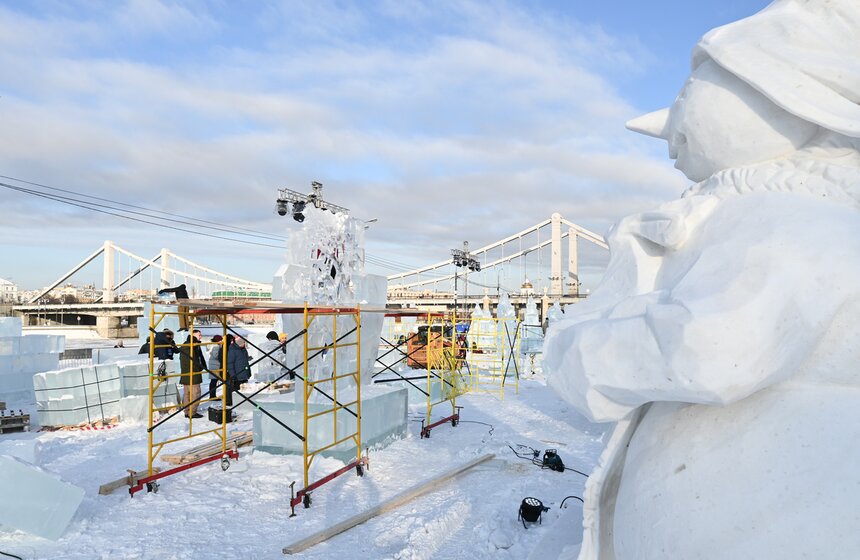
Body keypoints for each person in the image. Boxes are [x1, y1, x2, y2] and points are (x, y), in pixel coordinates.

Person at [178, 329, 207, 419]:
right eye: (199, 335)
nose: (200, 337)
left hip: (186, 374)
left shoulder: (187, 345)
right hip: (192, 374)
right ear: (193, 336)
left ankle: (187, 411)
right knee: (195, 393)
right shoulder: (191, 347)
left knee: (187, 394)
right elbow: (193, 362)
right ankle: (192, 412)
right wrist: (199, 368)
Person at [225, 335, 251, 412]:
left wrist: (248, 372)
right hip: (237, 374)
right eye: (243, 343)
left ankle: (243, 403)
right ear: (239, 343)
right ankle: (236, 404)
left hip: (244, 374)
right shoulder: (233, 350)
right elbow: (230, 364)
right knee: (236, 390)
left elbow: (246, 363)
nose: (244, 344)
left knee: (244, 390)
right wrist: (233, 375)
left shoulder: (243, 350)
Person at [207, 334, 225, 400]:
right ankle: (212, 396)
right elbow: (216, 355)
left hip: (213, 365)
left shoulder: (212, 345)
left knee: (213, 381)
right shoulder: (216, 346)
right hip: (215, 365)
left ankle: (212, 395)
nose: (222, 341)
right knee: (214, 381)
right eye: (221, 340)